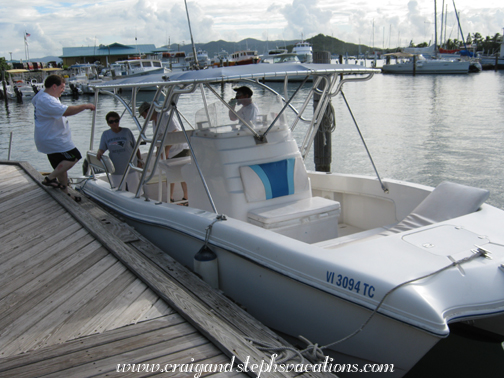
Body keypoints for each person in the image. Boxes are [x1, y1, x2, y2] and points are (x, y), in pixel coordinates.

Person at [33, 74, 95, 202]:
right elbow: (66, 111)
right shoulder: (47, 100)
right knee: (74, 156)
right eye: (62, 87)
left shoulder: (42, 96)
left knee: (60, 166)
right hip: (54, 140)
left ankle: (66, 194)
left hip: (48, 138)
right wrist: (85, 106)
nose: (63, 90)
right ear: (54, 86)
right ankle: (50, 179)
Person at [138, 102, 189, 203]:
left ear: (148, 111)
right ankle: (170, 198)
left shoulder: (165, 116)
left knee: (181, 174)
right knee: (170, 174)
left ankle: (185, 199)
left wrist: (166, 149)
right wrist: (158, 150)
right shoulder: (154, 122)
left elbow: (175, 131)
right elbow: (159, 137)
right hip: (172, 151)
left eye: (143, 115)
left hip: (181, 149)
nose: (144, 118)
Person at [96, 111, 143, 193]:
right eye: (111, 122)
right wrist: (99, 152)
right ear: (108, 123)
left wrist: (140, 160)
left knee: (136, 191)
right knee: (119, 191)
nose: (114, 123)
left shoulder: (127, 131)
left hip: (131, 167)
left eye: (116, 120)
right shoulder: (105, 134)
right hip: (116, 169)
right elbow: (102, 149)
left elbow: (136, 147)